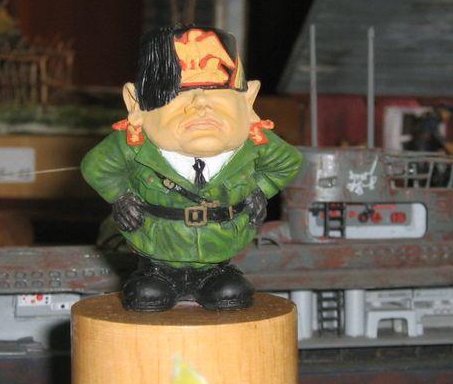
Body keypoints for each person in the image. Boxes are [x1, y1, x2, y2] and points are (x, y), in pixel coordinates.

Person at [81, 25, 302, 312]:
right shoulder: (132, 145)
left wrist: (260, 189)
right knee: (148, 294)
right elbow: (96, 166)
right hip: (158, 243)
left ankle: (215, 274)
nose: (201, 106)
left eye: (218, 94)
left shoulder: (255, 144)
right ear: (136, 105)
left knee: (228, 292)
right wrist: (121, 196)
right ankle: (158, 275)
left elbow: (288, 162)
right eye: (178, 96)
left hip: (220, 243)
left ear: (248, 101)